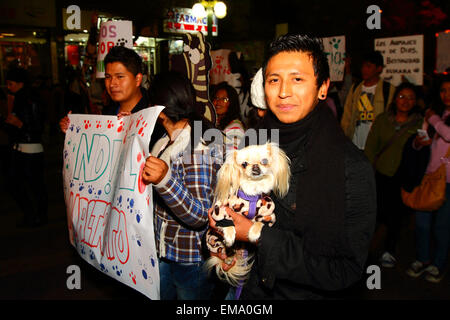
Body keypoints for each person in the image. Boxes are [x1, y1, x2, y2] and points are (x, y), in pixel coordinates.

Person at [209, 34, 377, 299]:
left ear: (322, 87)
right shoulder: (255, 143)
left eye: (297, 79)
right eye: (274, 80)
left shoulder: (351, 167)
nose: (283, 91)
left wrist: (258, 235)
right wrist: (229, 245)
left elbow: (345, 269)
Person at [142, 71, 221, 299]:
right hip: (164, 250)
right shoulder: (164, 141)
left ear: (160, 108)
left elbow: (199, 215)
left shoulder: (197, 148)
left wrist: (165, 180)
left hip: (189, 259)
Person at [364, 82, 423, 268]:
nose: (406, 101)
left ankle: (389, 250)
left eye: (411, 98)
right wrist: (367, 171)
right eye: (402, 96)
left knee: (396, 216)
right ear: (395, 99)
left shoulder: (420, 124)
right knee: (374, 213)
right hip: (381, 175)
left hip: (403, 177)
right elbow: (371, 146)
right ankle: (365, 249)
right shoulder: (383, 120)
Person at [406, 75, 450, 283]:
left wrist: (433, 118)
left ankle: (438, 263)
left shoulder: (435, 117)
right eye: (443, 91)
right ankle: (422, 258)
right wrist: (418, 143)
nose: (447, 95)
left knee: (442, 226)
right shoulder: (436, 114)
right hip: (428, 177)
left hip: (448, 182)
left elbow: (448, 134)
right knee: (422, 224)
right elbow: (424, 140)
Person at [59, 46, 148, 133]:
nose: (112, 84)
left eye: (120, 77)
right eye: (108, 77)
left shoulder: (153, 116)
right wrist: (72, 131)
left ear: (137, 79)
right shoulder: (108, 114)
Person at [5, 67, 48, 227]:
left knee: (34, 185)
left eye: (10, 84)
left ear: (20, 83)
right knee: (18, 184)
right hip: (20, 147)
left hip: (30, 148)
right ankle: (33, 215)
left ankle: (37, 216)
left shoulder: (31, 99)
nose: (9, 87)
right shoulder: (18, 98)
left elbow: (36, 126)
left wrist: (20, 124)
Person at [341, 50, 396, 150]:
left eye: (368, 66)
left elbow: (392, 117)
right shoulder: (355, 88)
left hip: (376, 146)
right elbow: (347, 115)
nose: (364, 69)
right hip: (355, 145)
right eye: (363, 66)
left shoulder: (388, 90)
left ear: (379, 69)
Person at [211, 81, 245, 150]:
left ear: (232, 103)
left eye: (224, 99)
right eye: (216, 98)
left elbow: (233, 156)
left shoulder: (235, 128)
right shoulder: (215, 123)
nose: (218, 102)